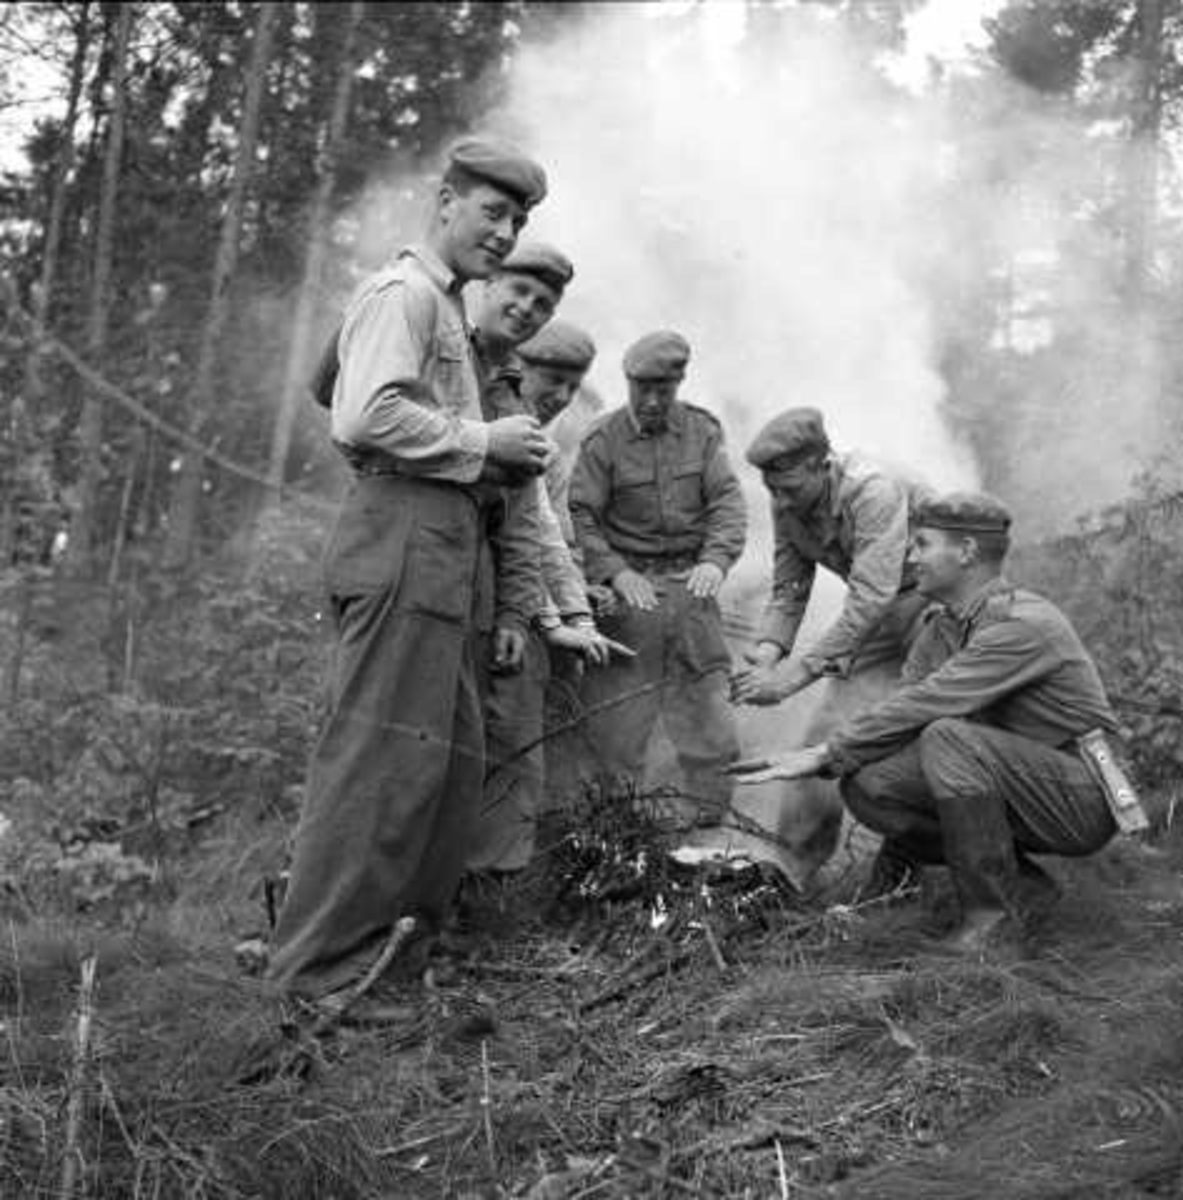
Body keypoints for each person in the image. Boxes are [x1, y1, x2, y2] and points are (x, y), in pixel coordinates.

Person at [267, 136, 552, 1011]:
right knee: (376, 766)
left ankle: (391, 968)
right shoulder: (405, 292)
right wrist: (481, 441)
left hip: (444, 547)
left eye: (517, 221)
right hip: (401, 533)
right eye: (491, 213)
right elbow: (358, 409)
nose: (503, 235)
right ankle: (316, 977)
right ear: (444, 202)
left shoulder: (445, 309)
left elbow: (332, 380)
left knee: (442, 770)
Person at [729, 491, 1121, 955]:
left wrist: (822, 753)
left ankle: (990, 924)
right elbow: (901, 710)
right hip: (1019, 781)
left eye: (922, 544)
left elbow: (930, 703)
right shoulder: (942, 628)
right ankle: (1021, 888)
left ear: (967, 552)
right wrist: (836, 757)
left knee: (946, 737)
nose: (910, 557)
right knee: (870, 781)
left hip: (1081, 795)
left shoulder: (1024, 624)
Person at [465, 248, 628, 875]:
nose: (559, 396)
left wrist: (578, 614)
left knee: (520, 750)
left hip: (518, 613)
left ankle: (495, 884)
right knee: (494, 749)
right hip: (481, 605)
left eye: (569, 385)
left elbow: (553, 542)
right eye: (547, 380)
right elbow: (524, 539)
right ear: (515, 370)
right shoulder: (487, 421)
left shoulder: (550, 456)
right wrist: (554, 616)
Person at [569, 330, 747, 827]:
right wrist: (616, 572)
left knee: (709, 728)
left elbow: (728, 504)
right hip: (632, 601)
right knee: (616, 730)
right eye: (640, 388)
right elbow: (581, 516)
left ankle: (710, 843)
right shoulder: (603, 440)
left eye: (662, 390)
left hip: (692, 594)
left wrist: (716, 560)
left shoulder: (703, 432)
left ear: (678, 384)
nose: (650, 401)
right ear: (627, 383)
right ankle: (613, 842)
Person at [731, 407, 933, 708]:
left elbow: (870, 598)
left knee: (922, 713)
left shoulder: (872, 489)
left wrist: (784, 685)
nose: (781, 501)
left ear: (822, 466)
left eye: (790, 489)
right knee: (834, 730)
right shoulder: (786, 505)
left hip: (932, 605)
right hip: (879, 616)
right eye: (772, 490)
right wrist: (767, 653)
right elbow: (790, 590)